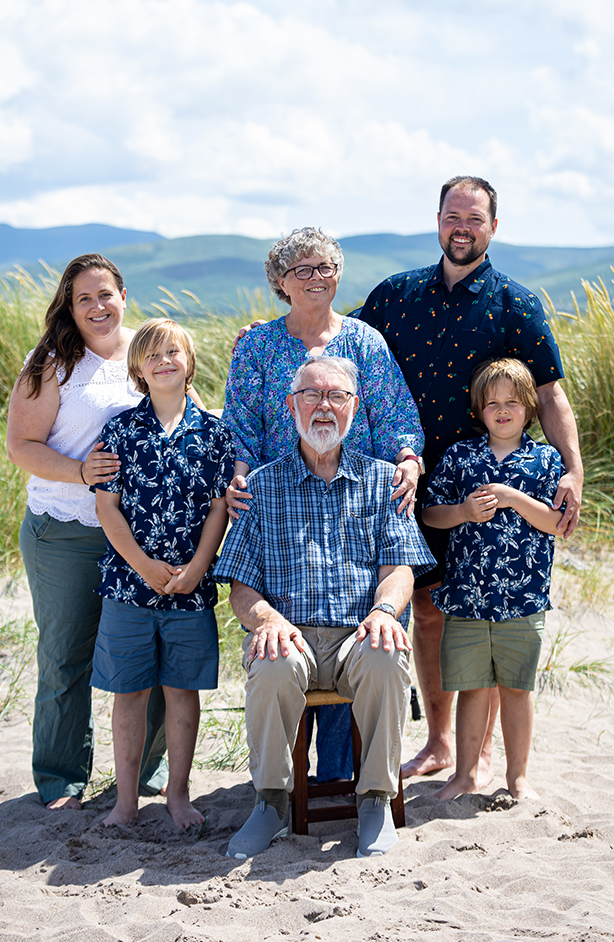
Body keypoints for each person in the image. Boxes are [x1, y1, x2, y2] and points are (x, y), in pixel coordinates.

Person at [353, 176, 583, 781]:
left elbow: (552, 396)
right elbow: (334, 338)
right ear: (437, 220)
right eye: (453, 216)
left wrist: (574, 472)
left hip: (491, 489)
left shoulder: (516, 304)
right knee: (427, 612)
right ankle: (440, 743)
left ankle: (483, 752)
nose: (463, 227)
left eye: (475, 219)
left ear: (493, 228)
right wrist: (266, 334)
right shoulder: (394, 295)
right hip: (408, 483)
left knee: (485, 617)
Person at [222, 226, 425, 783]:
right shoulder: (257, 345)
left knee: (368, 634)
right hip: (281, 507)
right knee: (286, 641)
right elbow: (238, 422)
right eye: (302, 270)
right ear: (281, 282)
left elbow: (396, 415)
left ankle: (341, 780)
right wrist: (241, 471)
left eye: (325, 267)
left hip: (359, 509)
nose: (316, 278)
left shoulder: (365, 342)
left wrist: (407, 458)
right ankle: (282, 788)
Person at [214, 356, 435, 860]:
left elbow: (400, 567)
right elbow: (241, 587)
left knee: (386, 655)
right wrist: (266, 620)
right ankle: (270, 803)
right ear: (291, 405)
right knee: (270, 661)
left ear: (354, 408)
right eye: (311, 395)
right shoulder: (261, 488)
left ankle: (375, 799)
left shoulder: (385, 482)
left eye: (336, 396)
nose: (323, 407)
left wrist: (383, 612)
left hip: (358, 636)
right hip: (292, 635)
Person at [6, 254, 169, 809]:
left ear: (124, 295)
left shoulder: (146, 352)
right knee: (66, 656)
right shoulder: (51, 363)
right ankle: (62, 780)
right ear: (69, 308)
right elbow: (21, 445)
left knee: (151, 651)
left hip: (137, 532)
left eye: (105, 295)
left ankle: (144, 774)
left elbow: (186, 412)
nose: (97, 307)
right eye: (84, 299)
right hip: (65, 531)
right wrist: (78, 471)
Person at [91, 318, 233, 829]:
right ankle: (125, 801)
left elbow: (219, 507)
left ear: (189, 363)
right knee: (128, 693)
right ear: (138, 370)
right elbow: (108, 508)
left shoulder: (216, 433)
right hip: (128, 586)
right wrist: (145, 566)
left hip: (190, 591)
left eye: (173, 352)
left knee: (181, 691)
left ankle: (177, 795)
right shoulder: (120, 431)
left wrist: (198, 567)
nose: (163, 361)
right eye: (152, 355)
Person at [422, 357, 563, 801]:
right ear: (479, 409)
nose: (503, 410)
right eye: (492, 403)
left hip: (523, 599)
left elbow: (556, 523)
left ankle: (517, 778)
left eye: (513, 402)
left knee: (517, 690)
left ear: (529, 407)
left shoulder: (545, 460)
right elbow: (431, 513)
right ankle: (464, 775)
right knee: (472, 689)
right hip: (466, 596)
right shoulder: (461, 457)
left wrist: (512, 497)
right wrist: (464, 511)